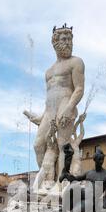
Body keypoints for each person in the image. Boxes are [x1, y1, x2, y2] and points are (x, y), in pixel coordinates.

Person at [24, 24, 85, 174]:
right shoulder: (48, 72)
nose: (68, 42)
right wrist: (41, 116)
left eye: (70, 39)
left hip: (66, 104)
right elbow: (49, 98)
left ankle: (61, 182)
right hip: (49, 111)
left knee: (62, 144)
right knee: (38, 145)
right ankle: (47, 180)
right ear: (55, 42)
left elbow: (79, 89)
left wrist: (69, 107)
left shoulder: (76, 62)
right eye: (64, 39)